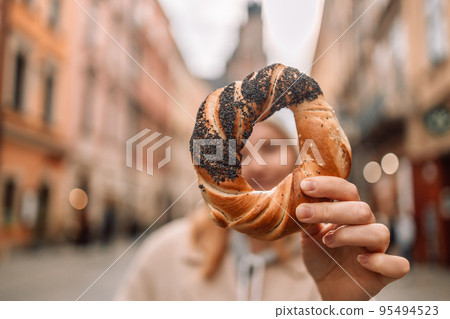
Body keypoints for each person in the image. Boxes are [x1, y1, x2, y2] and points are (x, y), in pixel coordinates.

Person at [115, 111, 410, 301]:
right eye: (238, 154)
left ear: (298, 161)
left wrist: (337, 307)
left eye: (270, 148)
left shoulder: (331, 256)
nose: (255, 166)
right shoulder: (163, 255)